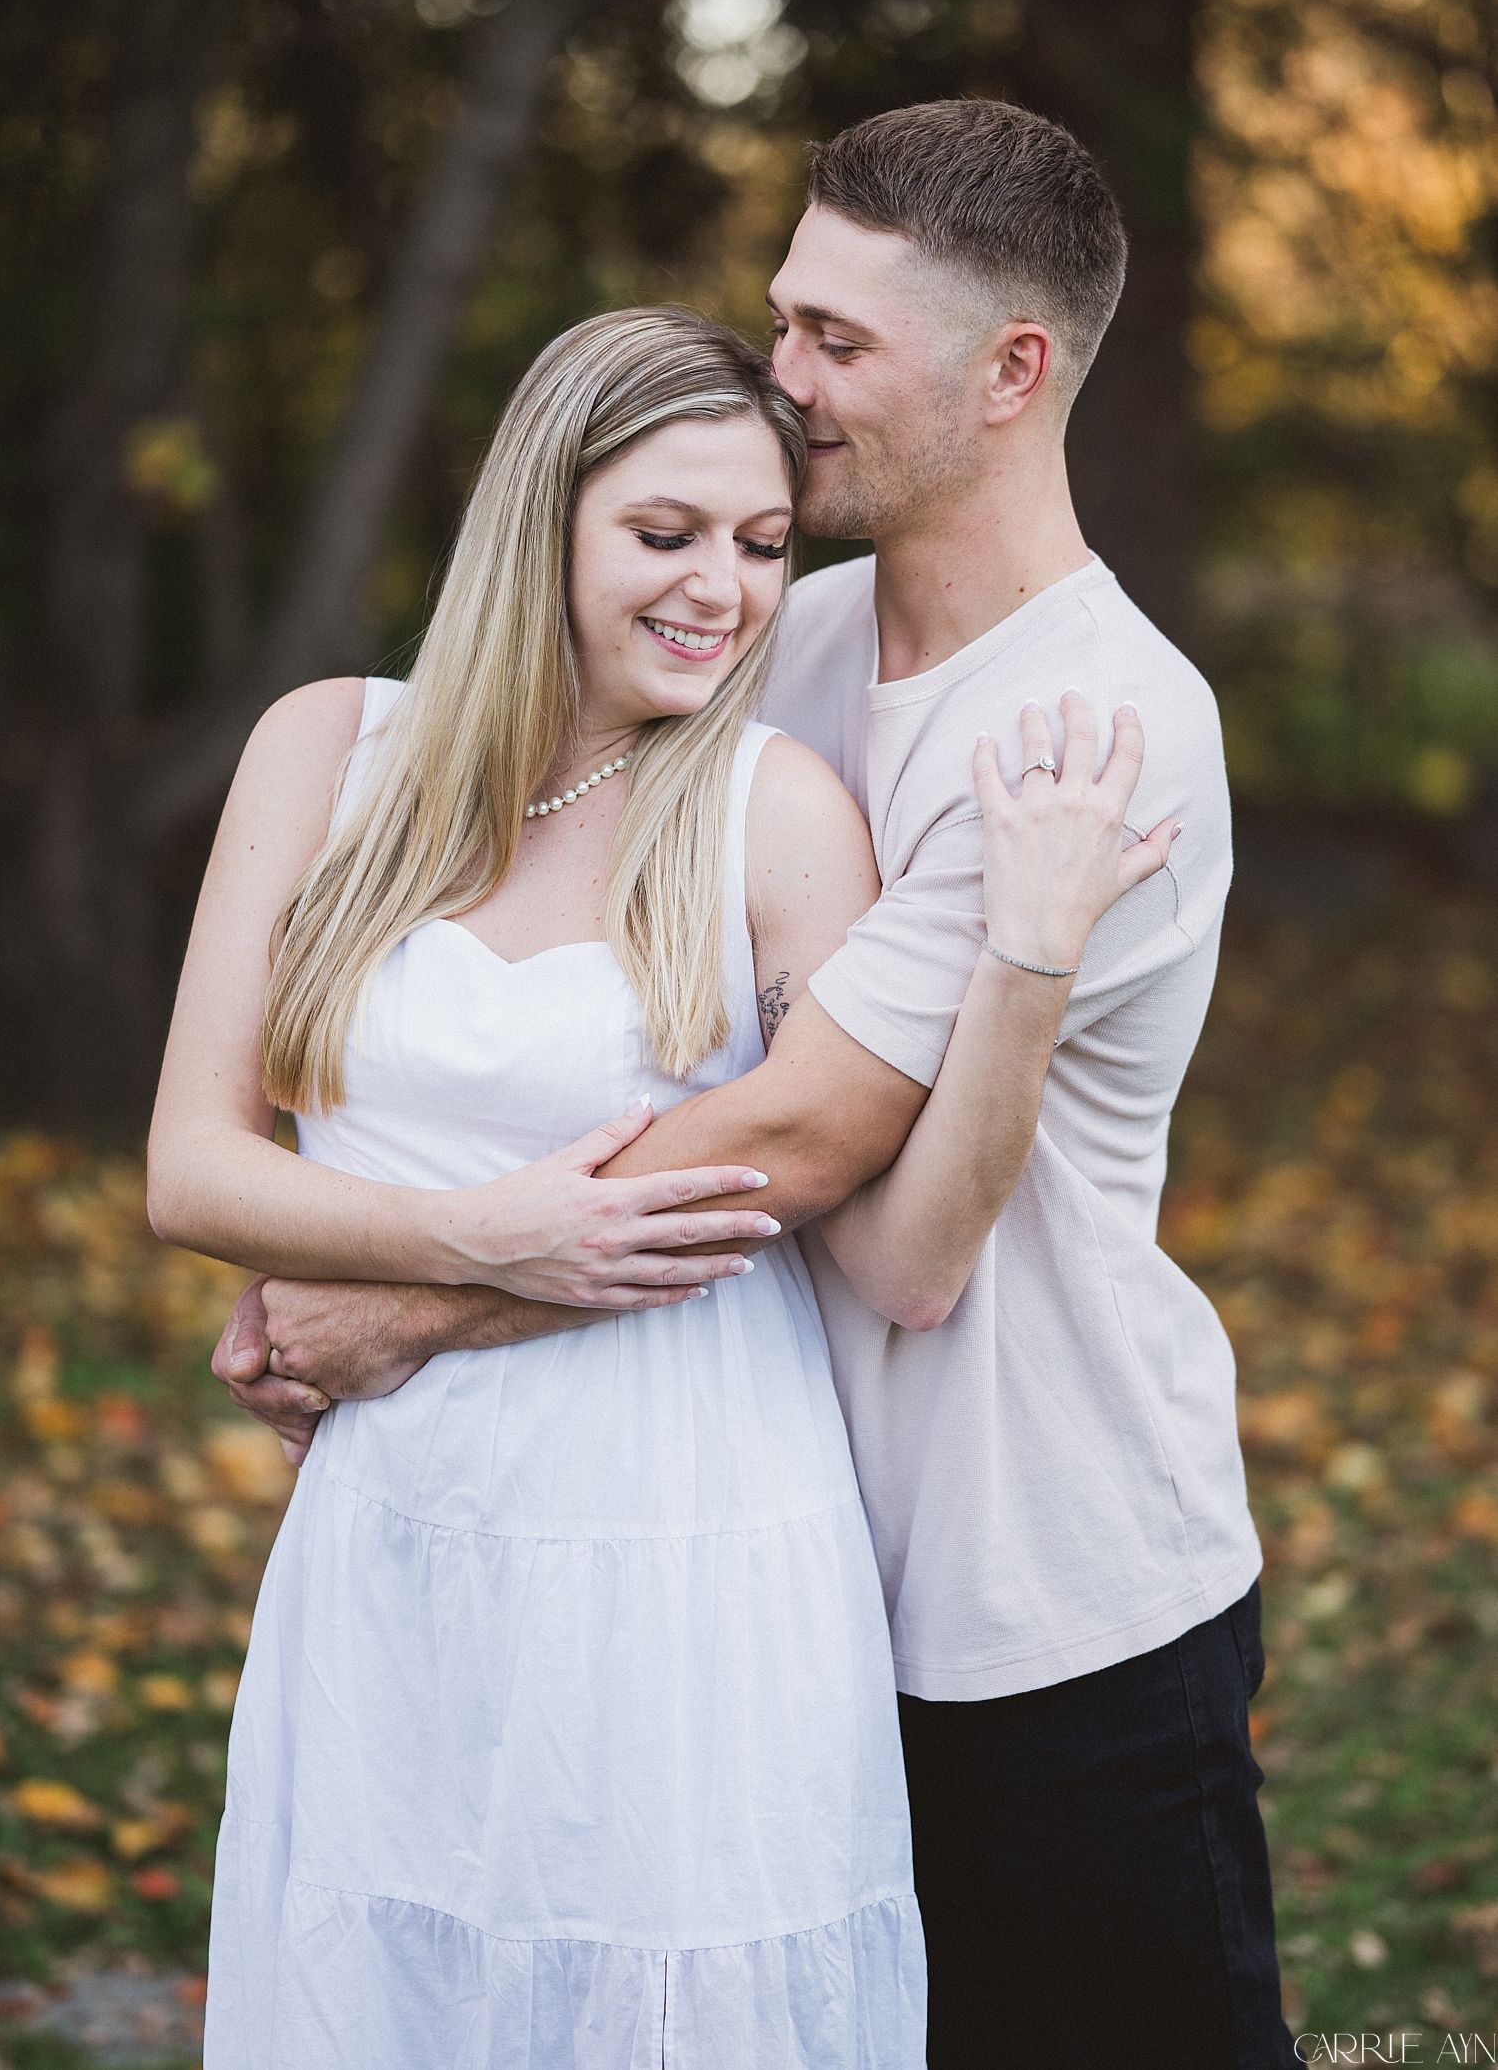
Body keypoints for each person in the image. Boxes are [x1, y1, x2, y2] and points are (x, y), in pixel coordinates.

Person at [214, 101, 1299, 2069]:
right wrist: (366, 1196)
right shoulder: (771, 634)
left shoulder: (1097, 723)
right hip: (762, 1577)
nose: (779, 381)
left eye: (837, 341)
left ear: (1014, 372)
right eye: (784, 318)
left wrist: (397, 1300)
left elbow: (809, 1147)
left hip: (1036, 1595)